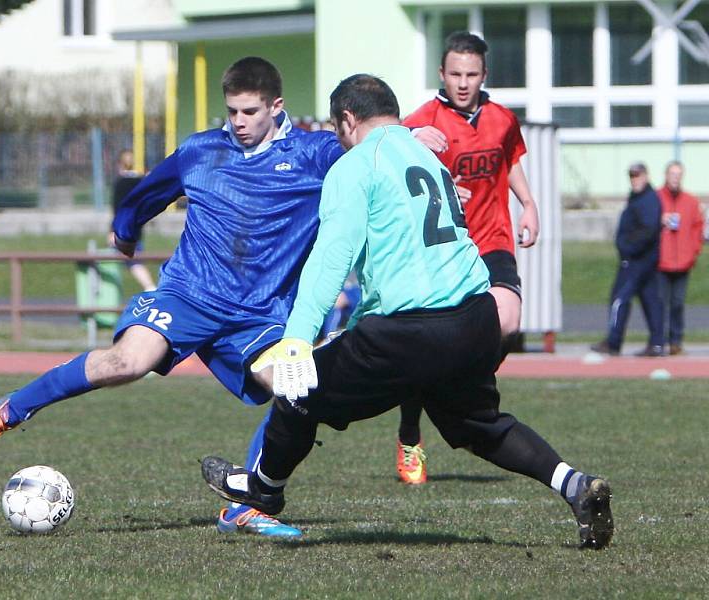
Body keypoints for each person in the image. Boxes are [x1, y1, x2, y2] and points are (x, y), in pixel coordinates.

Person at [199, 74, 613, 550]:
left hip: (410, 329)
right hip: (475, 316)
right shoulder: (425, 155)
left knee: (296, 383)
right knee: (481, 425)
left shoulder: (357, 165)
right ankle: (574, 485)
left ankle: (264, 491)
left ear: (348, 121)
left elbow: (332, 256)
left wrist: (297, 336)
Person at [0, 57, 345, 539]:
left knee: (291, 388)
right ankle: (10, 410)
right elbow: (148, 191)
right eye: (232, 111)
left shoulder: (315, 153)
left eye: (250, 112)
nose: (238, 123)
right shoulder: (202, 150)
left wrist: (411, 140)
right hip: (189, 293)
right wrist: (125, 230)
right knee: (125, 363)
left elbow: (371, 155)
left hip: (259, 312)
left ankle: (247, 504)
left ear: (276, 107)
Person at [393, 31, 540, 484]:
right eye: (455, 73)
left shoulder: (501, 119)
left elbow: (509, 160)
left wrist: (529, 203)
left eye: (471, 74)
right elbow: (389, 158)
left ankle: (462, 387)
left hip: (493, 239)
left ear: (484, 75)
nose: (463, 82)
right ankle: (410, 434)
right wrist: (416, 144)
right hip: (445, 247)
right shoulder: (422, 120)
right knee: (427, 350)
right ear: (441, 73)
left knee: (508, 321)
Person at [591, 162, 664, 357]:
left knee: (619, 299)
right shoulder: (638, 198)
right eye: (632, 176)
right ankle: (657, 343)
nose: (635, 180)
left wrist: (627, 247)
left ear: (646, 176)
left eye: (638, 176)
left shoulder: (648, 200)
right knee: (650, 301)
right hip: (644, 260)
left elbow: (648, 230)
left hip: (637, 261)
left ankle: (614, 342)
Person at [657, 161, 704, 356]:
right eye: (672, 174)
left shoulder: (691, 201)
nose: (675, 178)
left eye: (678, 175)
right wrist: (659, 220)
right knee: (659, 303)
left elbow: (698, 228)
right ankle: (657, 340)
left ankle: (676, 341)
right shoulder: (656, 198)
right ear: (666, 175)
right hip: (662, 261)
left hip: (683, 262)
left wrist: (693, 251)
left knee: (678, 303)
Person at [109, 149, 156, 292]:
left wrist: (112, 230)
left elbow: (118, 209)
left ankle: (150, 288)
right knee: (131, 259)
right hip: (137, 226)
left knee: (131, 261)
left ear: (120, 165)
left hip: (122, 228)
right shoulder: (142, 181)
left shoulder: (120, 183)